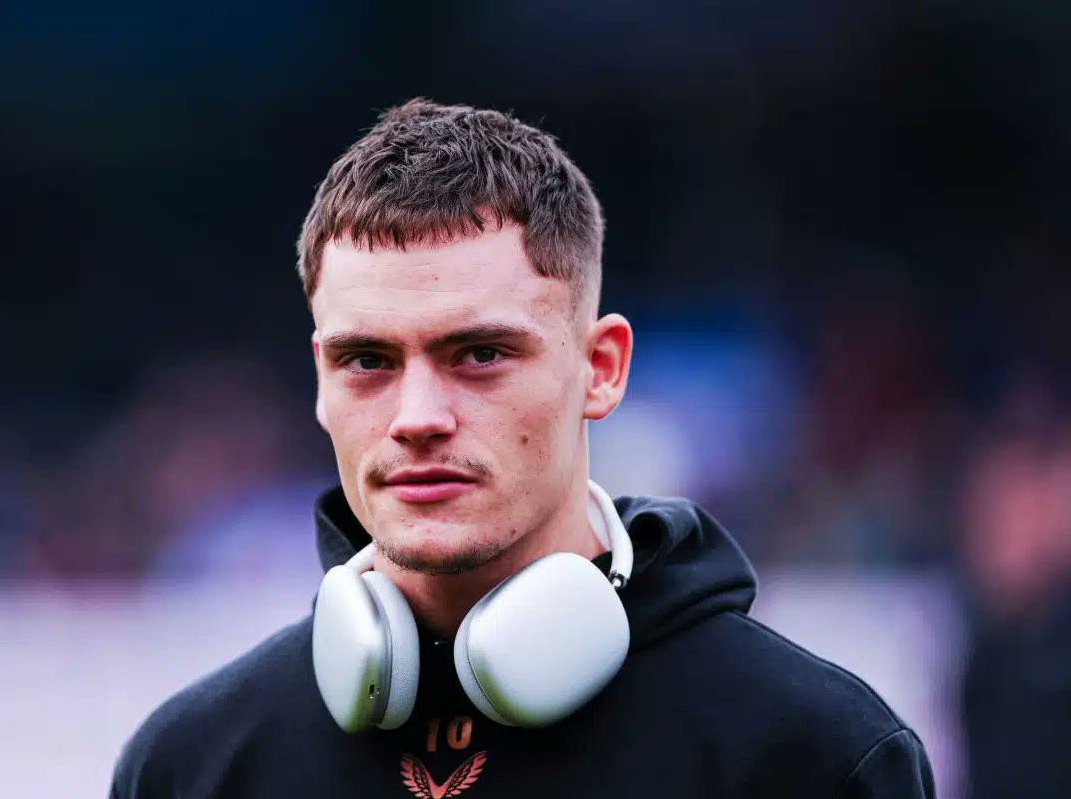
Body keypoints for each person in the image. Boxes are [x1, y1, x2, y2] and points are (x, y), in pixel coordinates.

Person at [110, 98, 934, 798]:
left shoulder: (813, 755)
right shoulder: (192, 767)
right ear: (321, 383)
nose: (418, 417)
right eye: (368, 361)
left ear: (601, 369)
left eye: (480, 354)